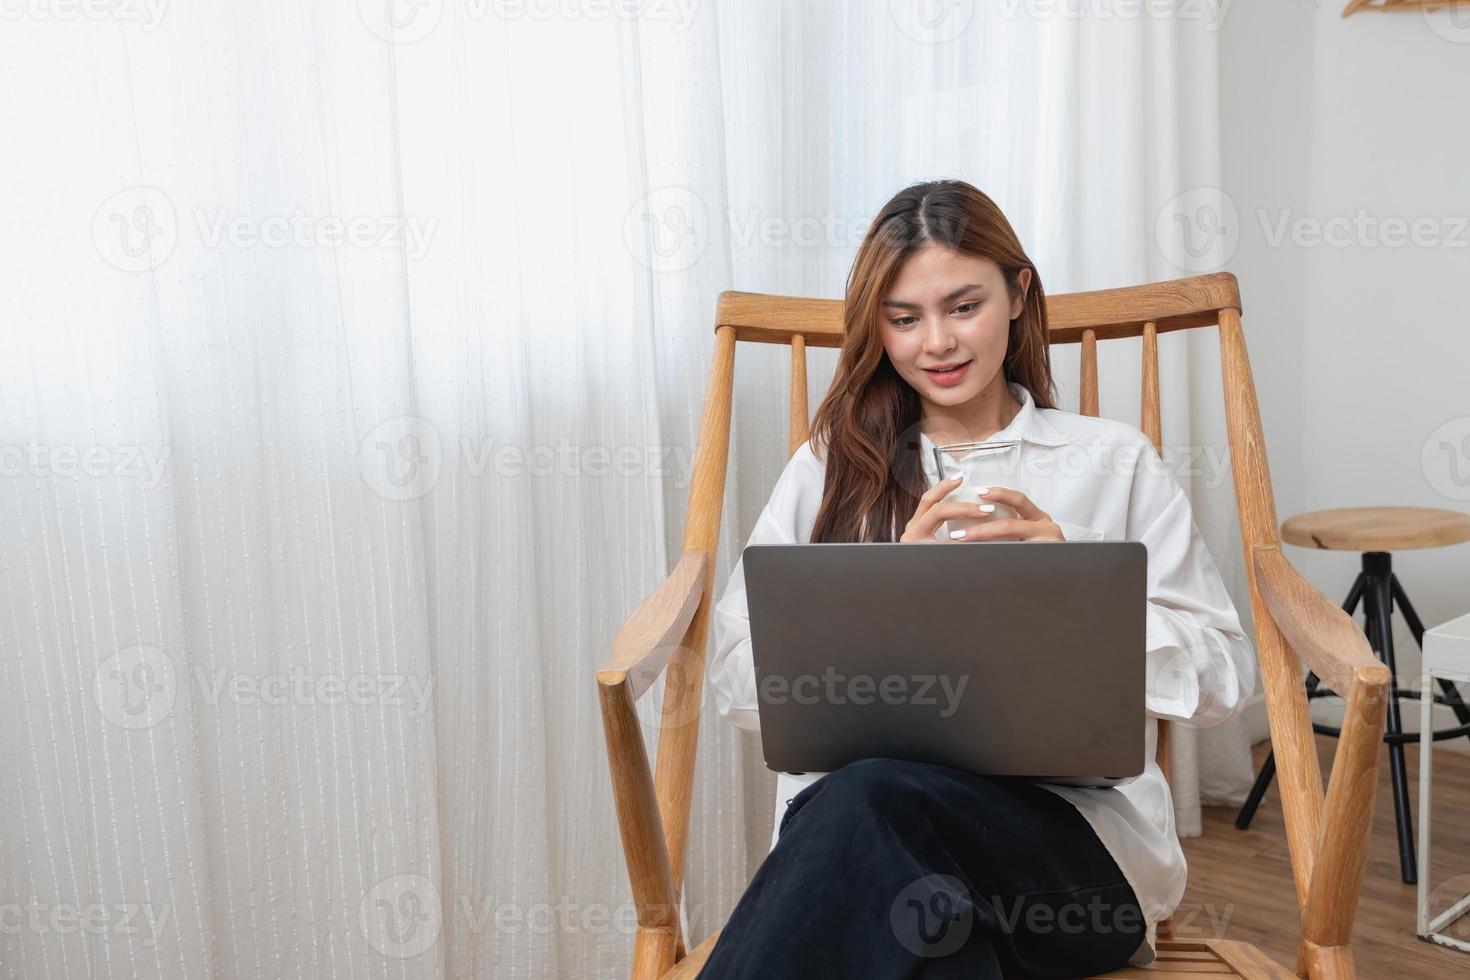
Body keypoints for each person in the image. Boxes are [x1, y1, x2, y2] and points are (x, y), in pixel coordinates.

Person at [701, 179, 1257, 978]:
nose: (937, 343)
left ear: (1019, 292)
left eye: (963, 306)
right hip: (886, 867)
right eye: (904, 319)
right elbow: (734, 678)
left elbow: (1226, 678)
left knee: (871, 804)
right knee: (934, 933)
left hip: (1069, 861)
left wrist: (1077, 591)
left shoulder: (1113, 460)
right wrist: (889, 593)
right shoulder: (830, 470)